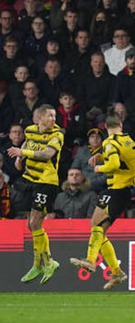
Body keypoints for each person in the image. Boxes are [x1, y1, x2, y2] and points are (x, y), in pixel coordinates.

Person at [69, 113, 135, 290]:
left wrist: (99, 167)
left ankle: (91, 260)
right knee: (99, 229)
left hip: (118, 190)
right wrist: (101, 156)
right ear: (121, 125)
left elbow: (115, 164)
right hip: (120, 191)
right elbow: (124, 159)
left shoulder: (109, 142)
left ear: (105, 128)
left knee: (97, 225)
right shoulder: (127, 140)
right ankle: (116, 272)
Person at [7, 104, 63, 284]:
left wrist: (22, 152)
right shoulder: (30, 130)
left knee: (35, 222)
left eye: (54, 116)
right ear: (39, 118)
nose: (54, 119)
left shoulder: (57, 134)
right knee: (31, 225)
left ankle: (45, 263)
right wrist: (19, 158)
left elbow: (47, 154)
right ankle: (42, 264)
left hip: (46, 182)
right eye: (50, 116)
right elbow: (27, 142)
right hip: (30, 179)